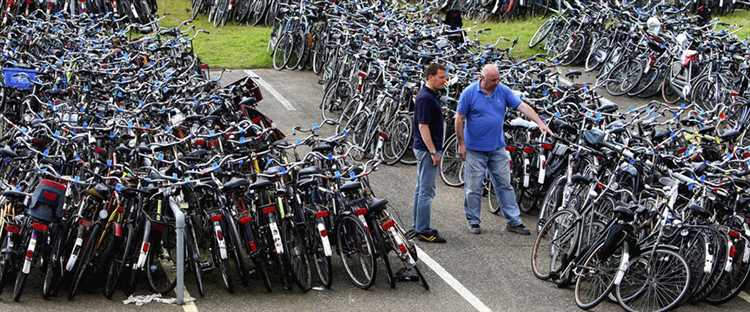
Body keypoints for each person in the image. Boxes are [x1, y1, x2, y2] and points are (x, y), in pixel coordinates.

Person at [455, 64, 552, 235]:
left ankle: (514, 221)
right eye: (493, 80)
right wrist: (461, 144)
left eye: (498, 78)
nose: (497, 82)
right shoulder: (469, 93)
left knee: (505, 184)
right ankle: (474, 221)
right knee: (473, 187)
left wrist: (540, 122)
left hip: (497, 148)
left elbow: (522, 106)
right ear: (482, 78)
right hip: (475, 149)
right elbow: (459, 119)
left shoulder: (502, 90)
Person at [411, 63, 448, 243]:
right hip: (427, 150)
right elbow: (423, 126)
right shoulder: (426, 98)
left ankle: (417, 224)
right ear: (430, 77)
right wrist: (434, 151)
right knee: (426, 190)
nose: (445, 80)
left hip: (423, 148)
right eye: (441, 77)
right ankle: (423, 229)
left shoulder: (429, 95)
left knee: (420, 188)